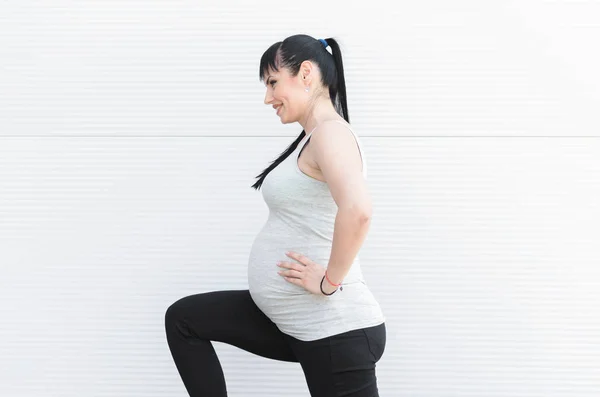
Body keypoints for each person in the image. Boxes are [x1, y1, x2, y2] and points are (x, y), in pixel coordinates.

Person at [165, 34, 387, 397]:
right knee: (184, 319)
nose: (268, 97)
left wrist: (328, 282)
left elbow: (359, 211)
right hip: (293, 320)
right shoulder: (312, 137)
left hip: (334, 331)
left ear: (305, 74)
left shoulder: (331, 134)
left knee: (184, 319)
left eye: (272, 82)